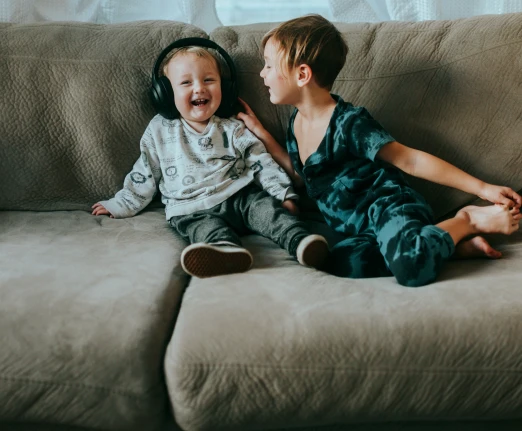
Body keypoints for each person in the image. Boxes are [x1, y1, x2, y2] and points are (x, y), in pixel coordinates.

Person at [237, 15, 522, 287]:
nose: (262, 74)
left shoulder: (349, 123)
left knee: (410, 269)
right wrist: (260, 133)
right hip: (361, 230)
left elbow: (409, 159)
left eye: (269, 66)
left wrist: (482, 188)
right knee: (338, 262)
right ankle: (445, 246)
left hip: (388, 207)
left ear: (302, 74)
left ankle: (466, 221)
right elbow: (300, 179)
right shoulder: (295, 123)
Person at [92, 38, 329, 279]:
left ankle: (300, 241)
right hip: (190, 207)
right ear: (165, 94)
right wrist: (121, 203)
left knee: (268, 211)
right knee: (204, 229)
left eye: (208, 80)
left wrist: (283, 194)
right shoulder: (159, 130)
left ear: (224, 90)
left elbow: (261, 161)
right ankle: (225, 252)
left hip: (239, 196)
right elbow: (145, 170)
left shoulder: (232, 127)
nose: (199, 88)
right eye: (186, 83)